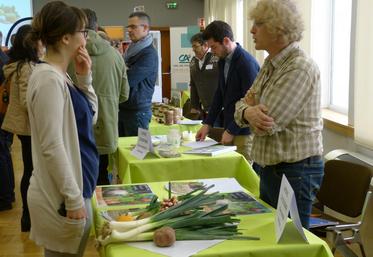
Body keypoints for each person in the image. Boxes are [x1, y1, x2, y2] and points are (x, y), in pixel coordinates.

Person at [234, 0, 323, 229]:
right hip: (271, 167)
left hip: (294, 171)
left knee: (288, 241)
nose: (252, 30)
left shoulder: (299, 67)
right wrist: (248, 110)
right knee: (272, 236)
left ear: (278, 27)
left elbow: (266, 125)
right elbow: (242, 106)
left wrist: (248, 111)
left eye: (259, 24)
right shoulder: (270, 64)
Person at [27, 1, 98, 255]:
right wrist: (73, 198)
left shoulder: (60, 75)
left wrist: (84, 78)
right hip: (63, 198)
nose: (86, 37)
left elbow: (89, 120)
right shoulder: (48, 79)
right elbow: (52, 145)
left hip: (78, 188)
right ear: (66, 37)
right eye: (83, 32)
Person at [69, 8, 129, 185]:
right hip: (107, 125)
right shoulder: (116, 56)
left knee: (78, 179)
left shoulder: (69, 55)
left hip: (76, 126)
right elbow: (125, 94)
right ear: (96, 26)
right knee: (102, 176)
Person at [195, 21, 260, 161]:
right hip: (230, 125)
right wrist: (208, 123)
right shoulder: (223, 60)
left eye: (213, 47)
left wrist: (232, 130)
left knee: (243, 176)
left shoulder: (246, 63)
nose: (212, 52)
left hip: (244, 132)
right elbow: (220, 93)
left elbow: (251, 103)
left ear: (226, 41)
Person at [1, 24, 43, 231]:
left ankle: (29, 217)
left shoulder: (18, 64)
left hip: (25, 127)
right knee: (31, 171)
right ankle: (28, 217)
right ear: (32, 43)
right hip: (29, 127)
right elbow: (29, 101)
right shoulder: (26, 67)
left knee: (30, 170)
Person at [118, 11, 158, 136]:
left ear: (145, 28)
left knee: (137, 153)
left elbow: (129, 79)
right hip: (124, 108)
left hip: (138, 112)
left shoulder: (149, 53)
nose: (129, 30)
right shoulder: (131, 50)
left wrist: (122, 70)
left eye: (133, 27)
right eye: (128, 27)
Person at [189, 32, 220, 123]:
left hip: (218, 108)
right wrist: (194, 106)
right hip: (203, 108)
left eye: (196, 46)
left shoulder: (216, 58)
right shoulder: (193, 62)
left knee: (216, 134)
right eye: (193, 47)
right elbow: (193, 85)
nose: (193, 49)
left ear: (205, 45)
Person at [0, 30, 14, 212]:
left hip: (1, 112)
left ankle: (4, 197)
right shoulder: (4, 58)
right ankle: (7, 194)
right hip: (4, 112)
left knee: (1, 154)